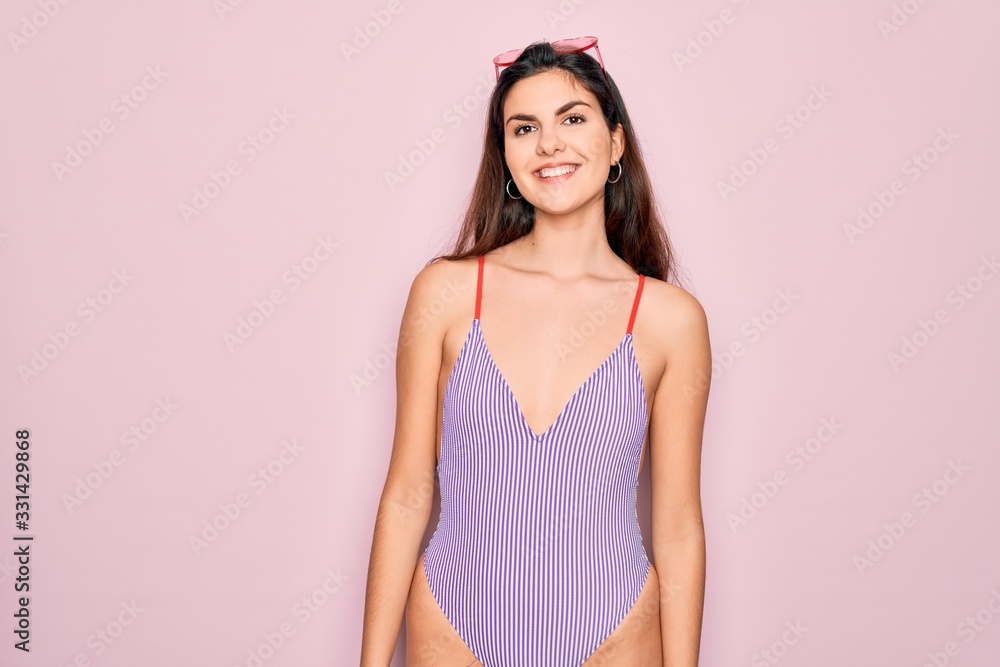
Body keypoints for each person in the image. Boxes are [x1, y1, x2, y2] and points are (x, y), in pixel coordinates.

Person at [361, 36, 710, 667]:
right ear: (506, 155)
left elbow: (679, 524)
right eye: (524, 128)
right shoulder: (445, 293)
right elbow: (407, 492)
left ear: (616, 143)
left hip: (615, 633)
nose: (549, 144)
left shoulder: (670, 319)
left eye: (572, 119)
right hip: (453, 626)